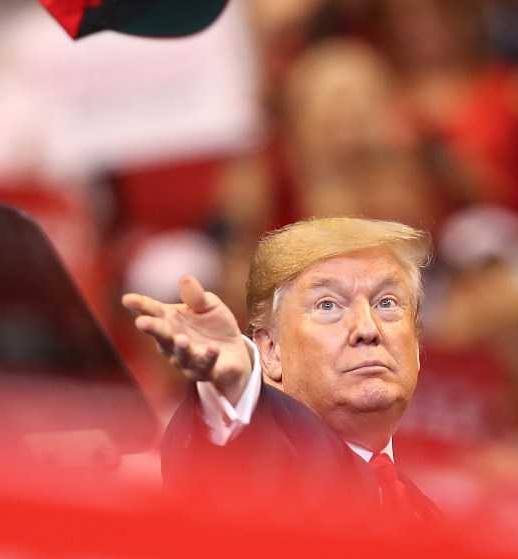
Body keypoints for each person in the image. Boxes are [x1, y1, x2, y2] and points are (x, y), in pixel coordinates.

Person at [121, 216, 440, 524]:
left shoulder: (426, 515)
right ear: (270, 350)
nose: (367, 329)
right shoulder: (264, 456)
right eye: (328, 305)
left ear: (416, 344)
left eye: (386, 303)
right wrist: (233, 386)